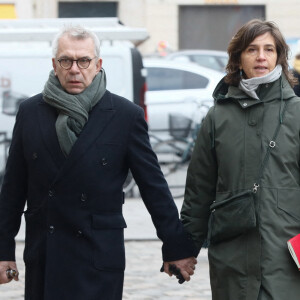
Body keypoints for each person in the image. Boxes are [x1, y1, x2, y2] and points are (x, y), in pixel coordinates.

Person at [0, 25, 197, 300]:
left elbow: (154, 187)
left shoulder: (125, 116)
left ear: (98, 64)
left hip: (98, 255)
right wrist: (3, 249)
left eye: (84, 61)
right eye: (66, 60)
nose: (74, 69)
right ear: (54, 64)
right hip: (46, 252)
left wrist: (176, 246)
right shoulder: (30, 112)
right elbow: (13, 189)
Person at [181, 19, 300, 300]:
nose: (261, 57)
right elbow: (199, 190)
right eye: (252, 49)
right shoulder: (217, 117)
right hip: (231, 257)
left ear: (279, 57)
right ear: (238, 59)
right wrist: (183, 249)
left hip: (285, 258)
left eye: (269, 50)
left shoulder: (296, 113)